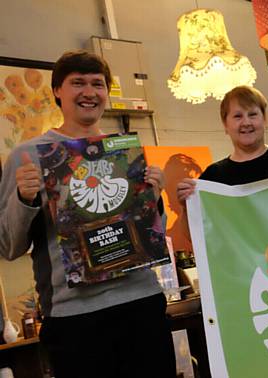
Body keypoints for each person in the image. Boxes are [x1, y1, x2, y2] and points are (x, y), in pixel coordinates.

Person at [0, 51, 175, 378]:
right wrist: (25, 198)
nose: (89, 92)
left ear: (107, 93)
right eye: (77, 83)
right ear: (57, 91)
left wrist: (155, 197)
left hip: (142, 303)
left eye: (97, 84)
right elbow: (9, 246)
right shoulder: (28, 155)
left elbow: (151, 238)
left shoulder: (122, 149)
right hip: (74, 318)